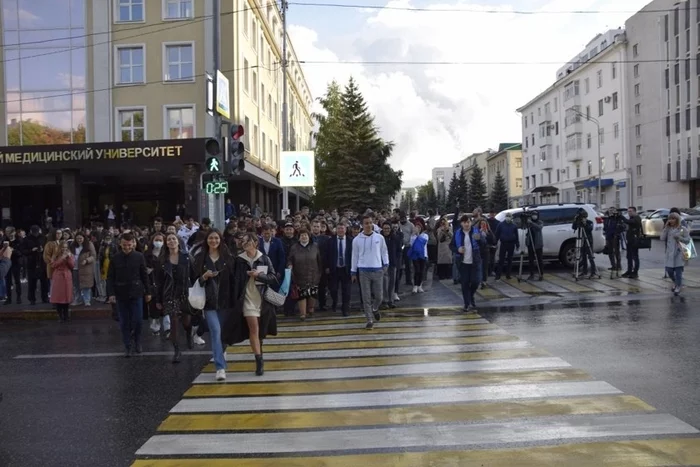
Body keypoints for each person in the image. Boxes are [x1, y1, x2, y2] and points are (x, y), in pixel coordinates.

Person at [224, 233, 279, 376]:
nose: (245, 244)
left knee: (260, 332)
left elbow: (273, 277)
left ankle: (259, 352)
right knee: (253, 329)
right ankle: (259, 361)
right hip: (247, 299)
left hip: (262, 300)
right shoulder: (239, 260)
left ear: (255, 243)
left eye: (248, 241)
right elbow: (232, 280)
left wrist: (258, 276)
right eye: (243, 241)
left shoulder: (264, 258)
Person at [192, 229, 234, 381]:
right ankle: (220, 367)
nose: (214, 241)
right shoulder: (200, 258)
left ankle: (221, 351)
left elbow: (233, 279)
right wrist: (204, 276)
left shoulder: (228, 257)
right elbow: (195, 280)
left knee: (222, 334)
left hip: (225, 301)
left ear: (220, 240)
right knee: (215, 332)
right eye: (211, 238)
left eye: (216, 238)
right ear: (206, 240)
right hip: (208, 302)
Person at [107, 232, 151, 358]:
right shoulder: (115, 258)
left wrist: (148, 292)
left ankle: (137, 341)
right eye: (124, 245)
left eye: (129, 244)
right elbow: (110, 278)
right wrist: (110, 294)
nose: (126, 247)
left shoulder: (139, 256)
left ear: (133, 244)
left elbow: (144, 275)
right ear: (120, 244)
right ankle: (127, 345)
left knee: (138, 320)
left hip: (136, 292)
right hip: (121, 293)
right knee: (124, 322)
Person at [155, 233, 193, 363]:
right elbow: (159, 282)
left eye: (173, 239)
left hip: (185, 293)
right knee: (174, 322)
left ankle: (189, 333)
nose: (171, 241)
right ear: (166, 243)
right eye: (169, 239)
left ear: (178, 241)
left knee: (186, 321)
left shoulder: (186, 257)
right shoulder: (162, 260)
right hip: (170, 295)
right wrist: (159, 300)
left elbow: (194, 275)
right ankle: (177, 350)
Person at [351, 215, 389, 329]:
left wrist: (386, 264)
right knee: (366, 297)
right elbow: (354, 256)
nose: (368, 225)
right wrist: (353, 272)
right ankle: (369, 319)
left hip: (377, 270)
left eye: (370, 223)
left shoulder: (379, 237)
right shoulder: (357, 240)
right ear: (362, 225)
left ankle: (375, 308)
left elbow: (384, 252)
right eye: (366, 223)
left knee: (379, 296)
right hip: (363, 271)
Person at [287, 228, 322, 320]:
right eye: (302, 235)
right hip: (299, 274)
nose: (304, 237)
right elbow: (290, 259)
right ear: (299, 237)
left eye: (305, 235)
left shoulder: (315, 246)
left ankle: (310, 310)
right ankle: (302, 313)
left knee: (312, 294)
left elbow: (319, 261)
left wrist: (319, 272)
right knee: (301, 294)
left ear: (309, 237)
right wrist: (290, 265)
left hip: (313, 274)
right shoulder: (294, 247)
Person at [453, 215, 486, 311]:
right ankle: (466, 304)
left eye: (468, 222)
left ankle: (471, 295)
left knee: (476, 281)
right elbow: (452, 246)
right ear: (461, 224)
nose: (466, 224)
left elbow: (484, 245)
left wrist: (480, 239)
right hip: (463, 262)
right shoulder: (457, 233)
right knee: (465, 283)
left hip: (475, 261)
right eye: (464, 222)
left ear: (470, 223)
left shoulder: (476, 231)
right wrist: (458, 249)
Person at [660, 212, 691, 296]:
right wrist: (665, 228)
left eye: (673, 218)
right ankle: (676, 282)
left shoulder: (682, 229)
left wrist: (679, 238)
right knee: (669, 271)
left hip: (679, 253)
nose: (671, 220)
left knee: (678, 272)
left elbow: (688, 240)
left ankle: (678, 286)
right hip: (669, 253)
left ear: (677, 220)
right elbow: (662, 238)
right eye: (670, 218)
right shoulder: (668, 229)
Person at [326, 222, 352, 316]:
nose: (340, 230)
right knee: (333, 289)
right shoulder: (330, 241)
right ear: (336, 230)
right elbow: (327, 255)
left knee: (346, 291)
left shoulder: (350, 241)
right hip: (334, 269)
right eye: (339, 229)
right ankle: (335, 301)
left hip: (346, 269)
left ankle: (345, 309)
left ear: (345, 230)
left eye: (342, 228)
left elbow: (353, 256)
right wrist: (327, 267)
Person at [50, 241, 74, 322]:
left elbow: (72, 265)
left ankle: (66, 315)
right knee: (58, 297)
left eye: (66, 247)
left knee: (66, 296)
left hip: (67, 276)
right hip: (58, 276)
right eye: (63, 247)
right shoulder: (55, 255)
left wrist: (69, 257)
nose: (64, 249)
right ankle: (60, 316)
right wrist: (62, 258)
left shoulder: (69, 254)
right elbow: (53, 265)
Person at [380, 221, 401, 309]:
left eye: (388, 228)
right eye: (385, 229)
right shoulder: (379, 238)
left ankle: (390, 300)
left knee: (392, 283)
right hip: (382, 264)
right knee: (384, 283)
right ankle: (384, 301)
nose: (386, 230)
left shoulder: (395, 238)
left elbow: (399, 250)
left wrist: (397, 260)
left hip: (392, 263)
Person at [572, 209, 598, 279]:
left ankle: (593, 272)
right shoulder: (579, 222)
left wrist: (585, 223)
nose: (583, 218)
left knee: (590, 257)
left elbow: (590, 229)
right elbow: (574, 227)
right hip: (582, 240)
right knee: (583, 256)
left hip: (588, 240)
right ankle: (584, 271)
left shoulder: (589, 222)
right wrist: (575, 221)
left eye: (584, 217)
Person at [494, 213, 519, 280]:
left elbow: (516, 236)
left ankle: (508, 274)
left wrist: (517, 244)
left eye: (509, 216)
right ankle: (498, 275)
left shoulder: (514, 225)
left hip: (511, 244)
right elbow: (497, 234)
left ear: (511, 218)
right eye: (507, 216)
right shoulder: (501, 225)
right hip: (503, 243)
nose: (508, 218)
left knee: (510, 260)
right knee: (501, 260)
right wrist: (495, 243)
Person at [622, 207, 643, 279]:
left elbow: (630, 222)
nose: (629, 213)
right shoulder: (631, 218)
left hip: (635, 240)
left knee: (635, 256)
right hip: (630, 240)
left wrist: (622, 217)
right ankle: (629, 270)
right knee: (629, 256)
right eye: (628, 211)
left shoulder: (637, 218)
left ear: (634, 211)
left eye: (630, 211)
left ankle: (635, 272)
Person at [408, 223, 429, 294]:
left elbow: (423, 242)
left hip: (423, 255)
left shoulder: (425, 235)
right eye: (416, 227)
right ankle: (415, 285)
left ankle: (420, 285)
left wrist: (417, 235)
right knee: (417, 270)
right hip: (415, 255)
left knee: (422, 271)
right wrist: (414, 235)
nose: (417, 229)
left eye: (419, 227)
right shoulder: (412, 236)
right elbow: (411, 244)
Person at [525, 211, 544, 281]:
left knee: (539, 260)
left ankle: (541, 274)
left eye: (535, 215)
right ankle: (531, 274)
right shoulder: (529, 223)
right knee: (531, 260)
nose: (534, 216)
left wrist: (531, 223)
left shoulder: (540, 222)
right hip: (530, 243)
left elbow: (539, 228)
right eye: (533, 215)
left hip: (538, 244)